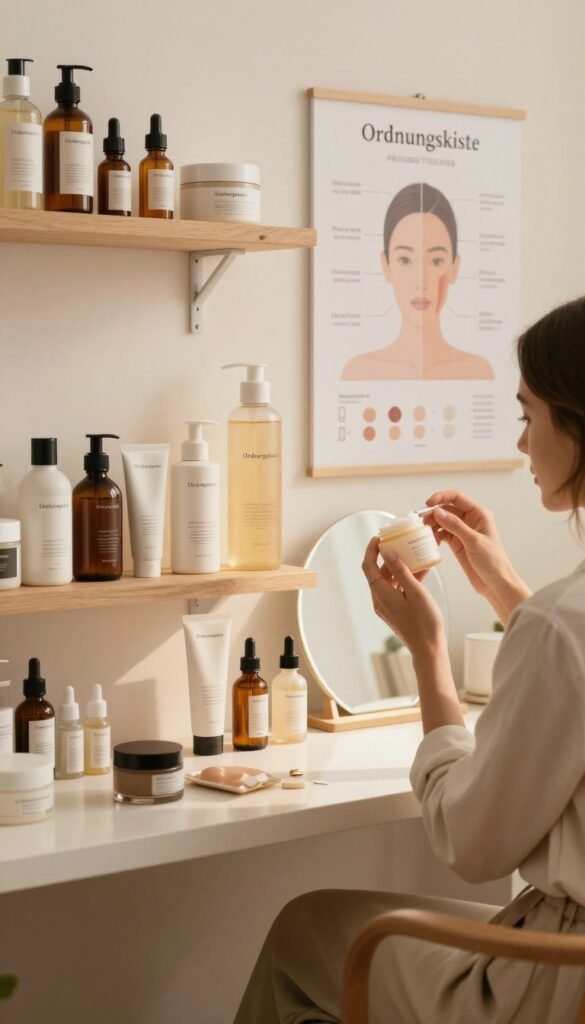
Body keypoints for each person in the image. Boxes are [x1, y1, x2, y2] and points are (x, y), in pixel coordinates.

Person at [235, 296, 585, 1023]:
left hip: (551, 984)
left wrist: (427, 652)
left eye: (528, 415)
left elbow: (469, 843)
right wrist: (503, 587)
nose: (522, 443)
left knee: (304, 930)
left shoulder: (558, 624)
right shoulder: (557, 620)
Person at [341, 182, 494, 381]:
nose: (421, 283)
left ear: (454, 267)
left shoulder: (479, 371)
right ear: (386, 265)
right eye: (405, 260)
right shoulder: (358, 372)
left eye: (436, 261)